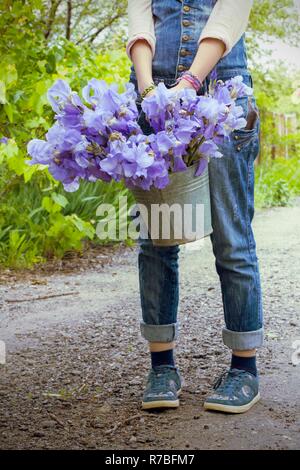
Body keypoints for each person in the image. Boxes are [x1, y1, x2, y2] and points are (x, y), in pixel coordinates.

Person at [126, 0, 263, 413]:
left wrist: (189, 82)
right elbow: (138, 18)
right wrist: (148, 89)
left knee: (232, 238)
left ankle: (244, 370)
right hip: (152, 89)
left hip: (222, 89)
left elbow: (231, 13)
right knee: (157, 236)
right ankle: (162, 366)